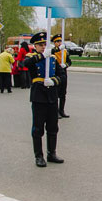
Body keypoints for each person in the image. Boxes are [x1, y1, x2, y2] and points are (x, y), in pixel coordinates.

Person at [23, 32, 64, 167]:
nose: (43, 46)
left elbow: (62, 75)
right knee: (38, 128)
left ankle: (51, 153)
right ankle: (38, 156)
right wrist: (42, 55)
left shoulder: (52, 58)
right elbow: (25, 63)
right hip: (39, 95)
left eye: (44, 44)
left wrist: (54, 81)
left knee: (53, 127)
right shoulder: (32, 57)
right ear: (35, 46)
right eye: (40, 45)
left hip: (51, 95)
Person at [51, 35, 72, 117]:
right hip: (55, 73)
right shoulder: (53, 51)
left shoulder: (65, 51)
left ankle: (61, 110)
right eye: (57, 42)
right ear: (54, 43)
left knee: (63, 93)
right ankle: (55, 111)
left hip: (63, 73)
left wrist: (66, 65)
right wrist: (59, 49)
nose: (59, 43)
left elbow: (70, 62)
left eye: (60, 41)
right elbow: (52, 54)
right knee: (56, 93)